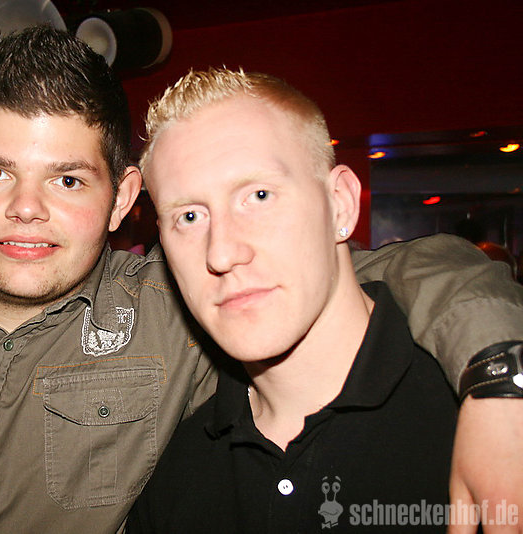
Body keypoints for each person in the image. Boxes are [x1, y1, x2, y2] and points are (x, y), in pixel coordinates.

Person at [0, 27, 523, 533]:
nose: (26, 209)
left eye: (68, 179)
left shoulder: (176, 310)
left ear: (123, 200)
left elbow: (406, 269)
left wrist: (502, 377)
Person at [126, 68, 461, 532]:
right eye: (189, 216)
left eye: (259, 195)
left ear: (340, 204)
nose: (221, 253)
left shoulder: (482, 419)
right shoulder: (174, 474)